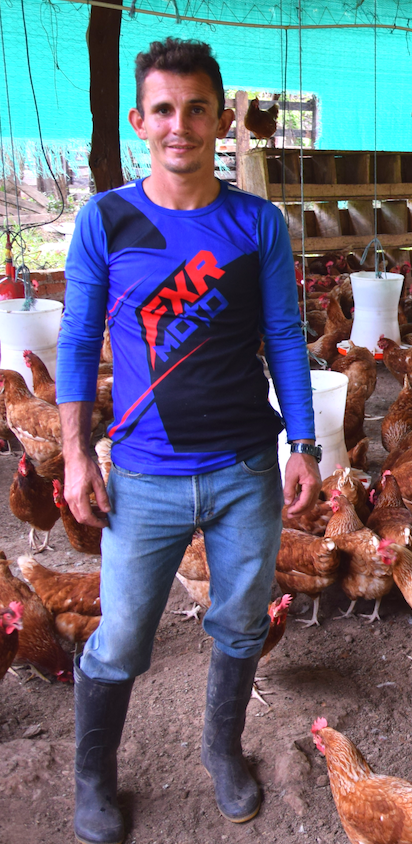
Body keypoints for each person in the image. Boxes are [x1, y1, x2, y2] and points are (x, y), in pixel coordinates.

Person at [57, 38, 321, 844]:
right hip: (144, 476)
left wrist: (305, 443)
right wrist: (76, 455)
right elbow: (77, 340)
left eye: (197, 109)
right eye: (164, 109)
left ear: (222, 120)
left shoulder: (257, 223)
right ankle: (94, 781)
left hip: (246, 470)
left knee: (241, 625)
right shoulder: (107, 220)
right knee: (120, 640)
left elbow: (285, 335)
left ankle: (222, 750)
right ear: (140, 121)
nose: (181, 125)